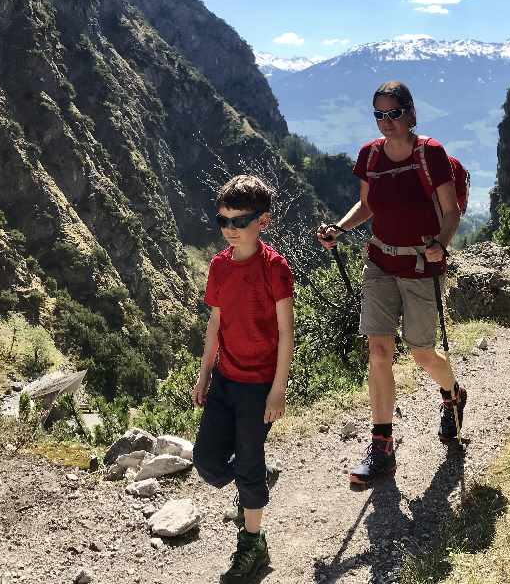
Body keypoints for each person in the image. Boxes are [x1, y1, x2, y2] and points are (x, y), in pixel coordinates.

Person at [316, 80, 467, 489]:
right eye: (379, 115)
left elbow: (450, 212)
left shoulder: (430, 154)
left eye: (394, 113)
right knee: (379, 351)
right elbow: (367, 205)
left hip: (419, 265)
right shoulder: (369, 155)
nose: (387, 122)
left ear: (410, 113)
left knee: (421, 353)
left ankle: (452, 393)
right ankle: (382, 445)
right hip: (380, 263)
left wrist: (440, 244)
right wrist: (340, 228)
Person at [191, 174, 294, 584]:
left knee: (248, 466)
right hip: (225, 380)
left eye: (240, 220)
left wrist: (278, 390)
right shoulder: (218, 266)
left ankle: (253, 542)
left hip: (258, 386)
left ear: (263, 221)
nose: (230, 229)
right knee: (207, 462)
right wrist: (203, 376)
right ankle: (256, 476)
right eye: (223, 221)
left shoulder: (275, 268)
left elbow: (287, 332)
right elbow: (215, 325)